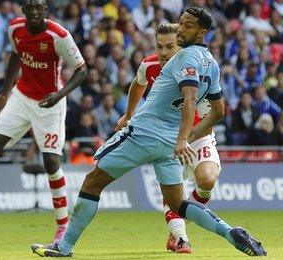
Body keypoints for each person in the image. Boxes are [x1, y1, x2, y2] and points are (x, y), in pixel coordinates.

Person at [32, 7, 266, 257]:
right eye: (182, 23)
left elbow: (190, 98)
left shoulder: (185, 58)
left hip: (144, 134)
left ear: (202, 32)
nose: (181, 30)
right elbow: (218, 111)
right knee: (179, 204)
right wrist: (184, 138)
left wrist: (183, 139)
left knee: (92, 182)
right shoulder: (212, 63)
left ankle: (64, 246)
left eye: (188, 26)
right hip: (167, 144)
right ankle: (231, 233)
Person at [0, 0, 88, 245]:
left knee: (51, 161)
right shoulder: (15, 28)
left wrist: (60, 94)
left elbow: (81, 69)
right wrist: (4, 93)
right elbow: (15, 56)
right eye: (29, 8)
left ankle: (63, 225)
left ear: (45, 11)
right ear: (23, 12)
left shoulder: (59, 35)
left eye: (39, 8)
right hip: (22, 96)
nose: (34, 12)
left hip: (50, 101)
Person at [115, 23, 223, 253]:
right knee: (172, 189)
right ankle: (180, 237)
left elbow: (215, 110)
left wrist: (192, 134)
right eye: (160, 46)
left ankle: (178, 224)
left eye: (170, 46)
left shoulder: (200, 68)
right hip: (167, 138)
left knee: (206, 181)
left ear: (182, 44)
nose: (163, 53)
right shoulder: (150, 64)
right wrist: (129, 114)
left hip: (198, 135)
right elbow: (137, 83)